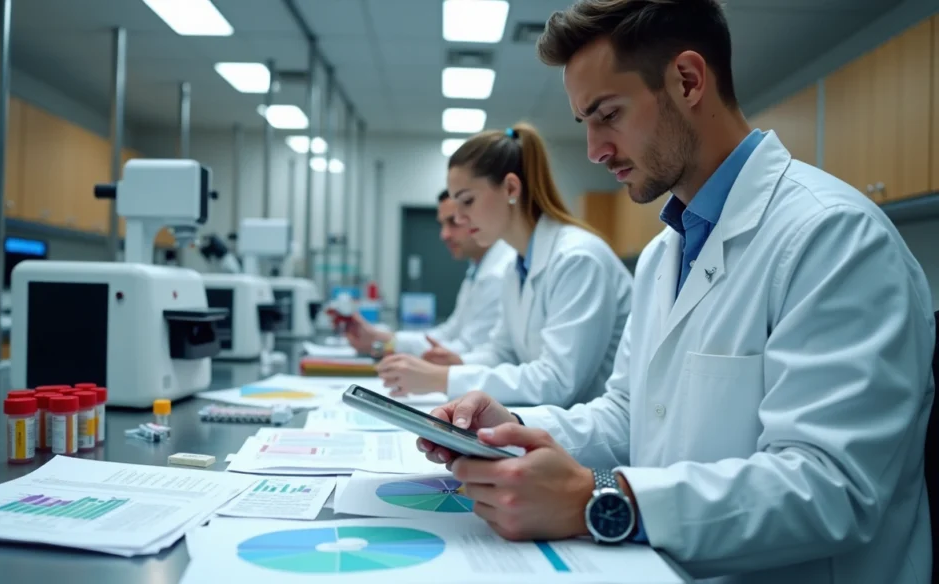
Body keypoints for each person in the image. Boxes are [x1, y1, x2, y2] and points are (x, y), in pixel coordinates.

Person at [416, 1, 936, 583]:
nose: (594, 150)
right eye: (585, 122)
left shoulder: (834, 237)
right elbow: (629, 416)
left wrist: (600, 498)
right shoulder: (667, 251)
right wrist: (506, 425)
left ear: (687, 81)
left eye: (606, 115)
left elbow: (831, 486)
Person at [376, 122, 633, 408]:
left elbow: (557, 382)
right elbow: (502, 352)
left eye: (467, 201)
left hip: (589, 441)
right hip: (549, 426)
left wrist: (443, 378)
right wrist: (459, 365)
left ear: (511, 187)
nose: (459, 219)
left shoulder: (578, 259)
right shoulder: (517, 265)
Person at [344, 190, 515, 357]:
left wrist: (385, 345)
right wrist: (383, 339)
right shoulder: (478, 271)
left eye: (454, 222)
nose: (444, 235)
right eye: (442, 224)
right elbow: (449, 333)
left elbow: (468, 350)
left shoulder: (498, 274)